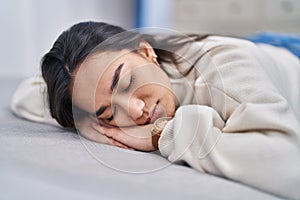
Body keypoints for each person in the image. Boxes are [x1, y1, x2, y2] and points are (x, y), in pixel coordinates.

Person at [11, 21, 300, 199]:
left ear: (146, 51)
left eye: (126, 82)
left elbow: (288, 168)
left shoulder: (223, 69)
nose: (135, 109)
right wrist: (85, 123)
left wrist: (163, 134)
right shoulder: (89, 93)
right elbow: (25, 95)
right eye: (110, 114)